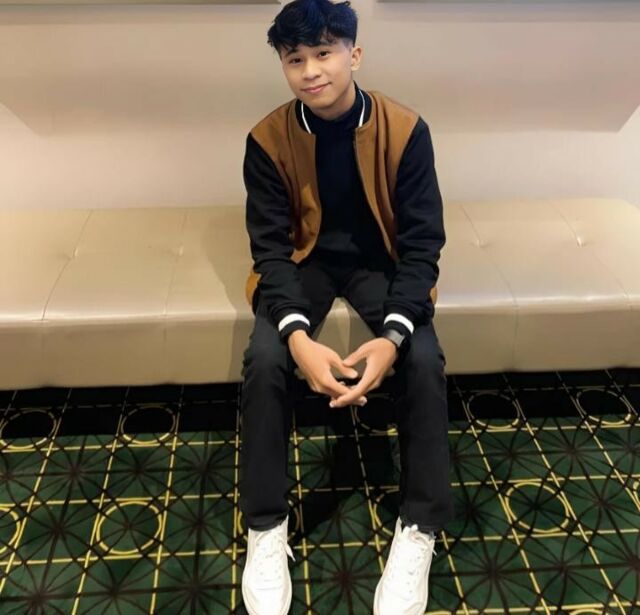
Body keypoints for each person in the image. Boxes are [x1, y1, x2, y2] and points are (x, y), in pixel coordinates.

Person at [239, 1, 453, 613]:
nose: (311, 71)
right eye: (295, 59)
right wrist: (297, 338)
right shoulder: (267, 139)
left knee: (422, 359)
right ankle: (265, 526)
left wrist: (392, 337)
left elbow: (423, 244)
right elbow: (270, 248)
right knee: (264, 358)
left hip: (380, 262)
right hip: (305, 261)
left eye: (324, 53)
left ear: (354, 55)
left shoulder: (405, 130)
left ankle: (420, 526)